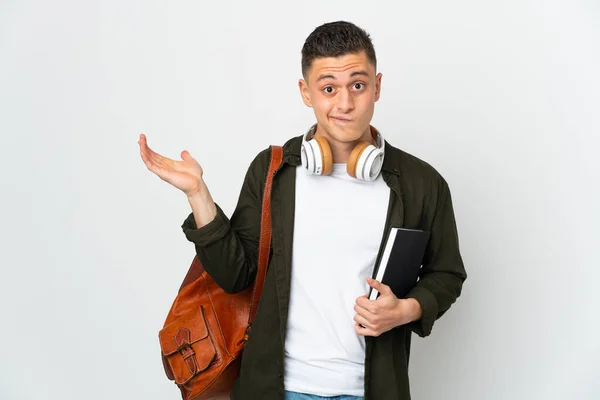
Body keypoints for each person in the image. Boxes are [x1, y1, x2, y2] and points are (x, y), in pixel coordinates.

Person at [139, 20, 467, 400]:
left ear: (377, 86)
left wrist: (405, 310)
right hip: (278, 389)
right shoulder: (273, 171)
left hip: (371, 390)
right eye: (329, 88)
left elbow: (446, 274)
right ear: (306, 92)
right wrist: (198, 194)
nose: (344, 103)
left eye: (357, 86)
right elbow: (236, 275)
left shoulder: (421, 183)